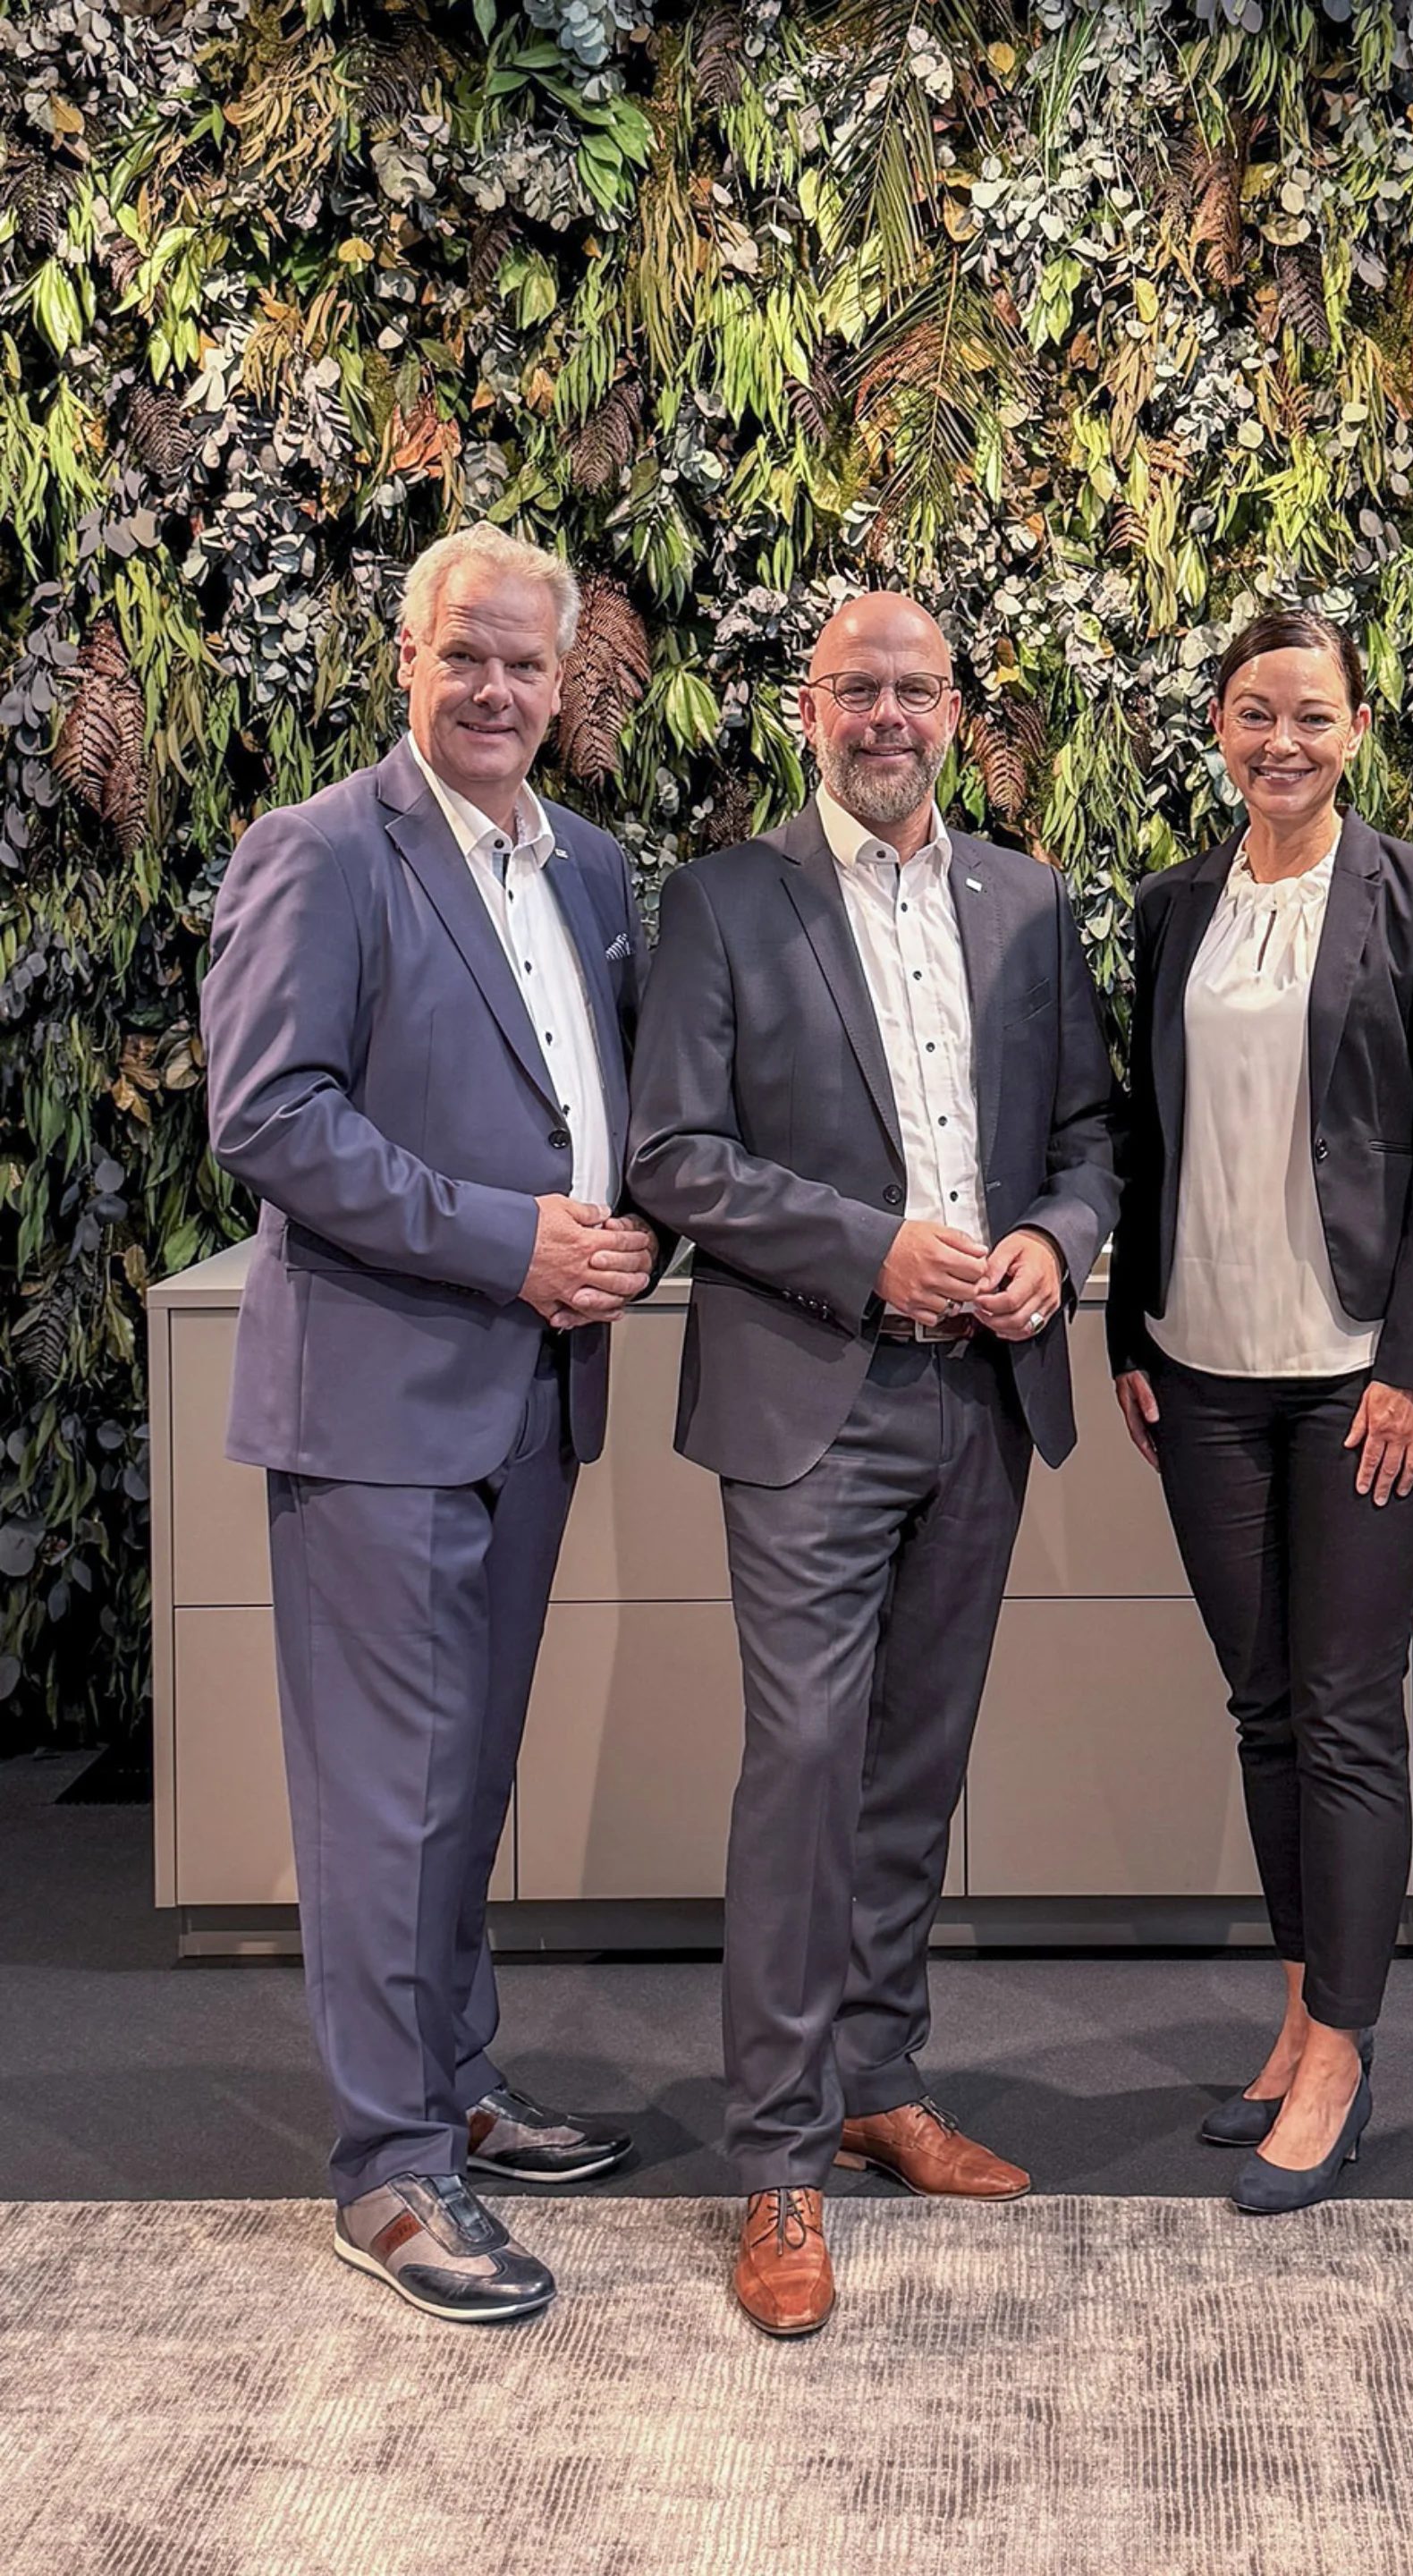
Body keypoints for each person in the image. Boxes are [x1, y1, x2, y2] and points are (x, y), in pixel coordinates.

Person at [624, 591, 1119, 2337]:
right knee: (808, 1761)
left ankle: (879, 2079)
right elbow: (674, 1153)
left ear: (957, 710)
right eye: (858, 689)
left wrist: (1055, 1242)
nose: (888, 715)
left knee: (915, 1759)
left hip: (983, 1396)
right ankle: (777, 2158)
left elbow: (1086, 1136)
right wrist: (871, 1248)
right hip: (810, 1401)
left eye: (916, 689)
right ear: (808, 707)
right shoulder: (724, 901)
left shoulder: (1026, 901)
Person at [201, 527, 663, 2323]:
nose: (494, 690)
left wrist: (631, 1227)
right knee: (382, 1798)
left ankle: (455, 2079)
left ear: (564, 685)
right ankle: (388, 2168)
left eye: (525, 664)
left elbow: (599, 1107)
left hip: (534, 1398)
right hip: (379, 1402)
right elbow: (271, 1115)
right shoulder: (320, 851)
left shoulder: (590, 866)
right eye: (465, 654)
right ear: (407, 657)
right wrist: (509, 1240)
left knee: (462, 1784)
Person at [1106, 608, 1413, 2215]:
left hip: (1358, 1375)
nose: (1284, 741)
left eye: (1313, 715)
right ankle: (1295, 2015)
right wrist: (1126, 1329)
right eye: (1256, 712)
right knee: (1264, 1706)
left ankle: (1342, 2049)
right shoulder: (1172, 906)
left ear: (1356, 729)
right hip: (1199, 1365)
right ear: (1219, 726)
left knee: (1344, 1709)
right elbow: (1145, 1129)